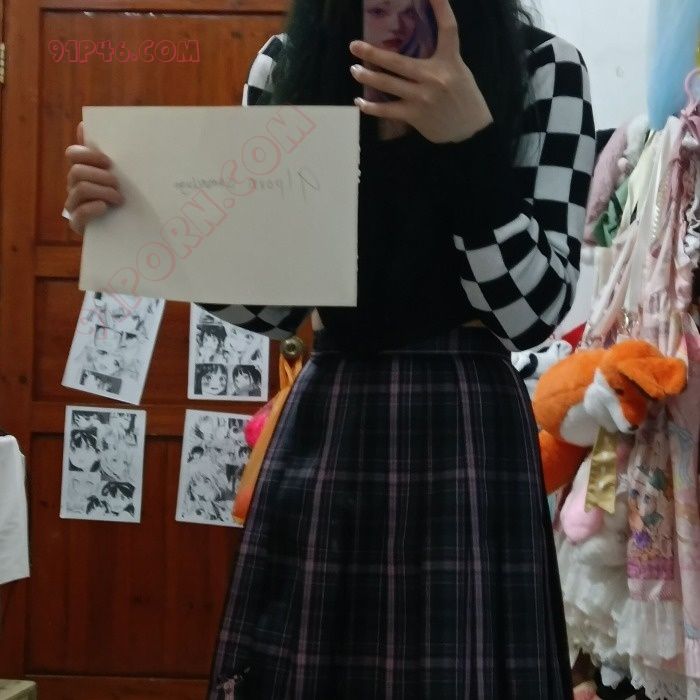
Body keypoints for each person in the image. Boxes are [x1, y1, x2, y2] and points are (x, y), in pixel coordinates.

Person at [63, 0, 595, 695]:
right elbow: (276, 304)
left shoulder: (543, 67)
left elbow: (530, 313)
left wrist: (468, 144)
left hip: (467, 421)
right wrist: (134, 223)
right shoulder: (289, 63)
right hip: (334, 404)